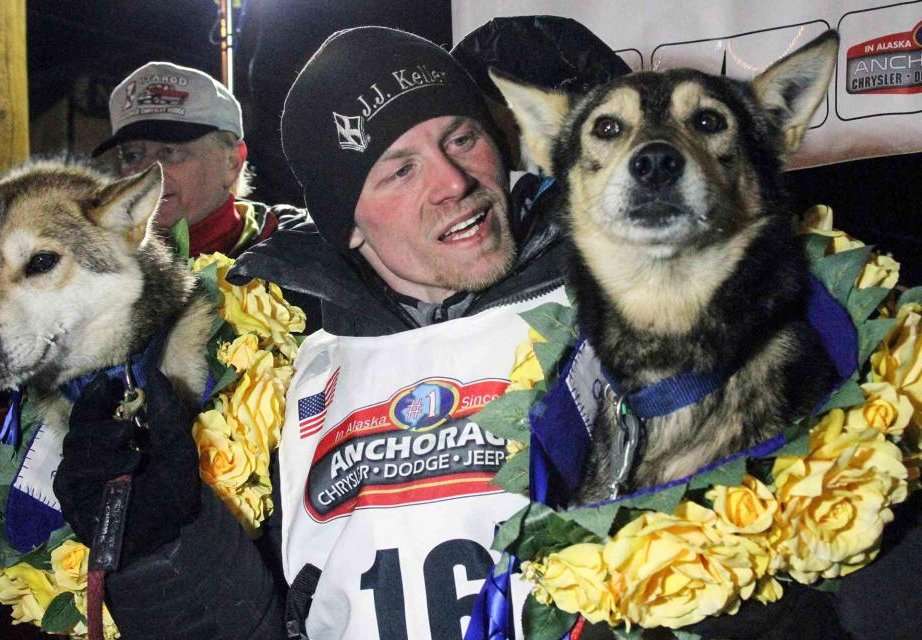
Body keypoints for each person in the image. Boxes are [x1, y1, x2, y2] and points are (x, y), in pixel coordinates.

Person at [52, 21, 921, 640]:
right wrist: (161, 540)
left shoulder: (637, 305)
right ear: (347, 220)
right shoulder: (274, 360)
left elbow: (846, 534)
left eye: (462, 138)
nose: (456, 183)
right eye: (398, 167)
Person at [92, 61, 278, 257]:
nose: (146, 173)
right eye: (133, 156)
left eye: (169, 151)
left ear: (232, 162)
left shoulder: (297, 257)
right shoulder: (93, 268)